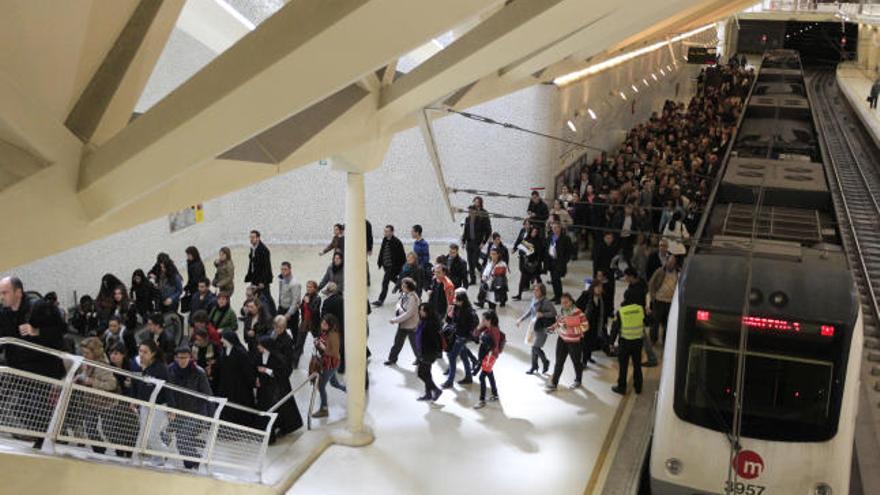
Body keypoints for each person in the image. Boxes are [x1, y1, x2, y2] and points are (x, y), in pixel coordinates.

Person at [165, 346, 213, 469]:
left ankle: (192, 463)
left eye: (185, 358)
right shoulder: (170, 370)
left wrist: (210, 418)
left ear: (190, 358)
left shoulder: (199, 372)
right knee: (170, 437)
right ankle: (192, 461)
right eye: (179, 358)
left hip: (194, 413)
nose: (182, 361)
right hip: (176, 412)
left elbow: (208, 395)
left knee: (182, 438)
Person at [71, 337, 119, 454]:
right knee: (90, 429)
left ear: (95, 352)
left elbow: (112, 384)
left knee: (108, 430)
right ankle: (99, 451)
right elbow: (83, 374)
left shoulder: (103, 366)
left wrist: (92, 382)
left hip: (105, 404)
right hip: (90, 401)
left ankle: (122, 450)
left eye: (87, 353)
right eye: (83, 352)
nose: (84, 355)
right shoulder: (86, 362)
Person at [254, 335, 303, 441]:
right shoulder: (259, 355)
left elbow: (282, 373)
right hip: (264, 388)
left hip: (277, 388)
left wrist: (266, 370)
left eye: (260, 345)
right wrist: (257, 378)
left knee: (277, 409)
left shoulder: (278, 358)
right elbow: (255, 367)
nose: (258, 347)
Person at [215, 331, 257, 427]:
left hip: (239, 385)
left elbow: (247, 369)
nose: (221, 341)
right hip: (227, 383)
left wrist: (252, 382)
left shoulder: (241, 352)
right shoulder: (224, 351)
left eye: (223, 339)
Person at [546, 293, 587, 391]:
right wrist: (553, 327)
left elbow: (585, 326)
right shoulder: (563, 311)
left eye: (566, 302)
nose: (563, 304)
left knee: (576, 362)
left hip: (574, 342)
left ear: (571, 302)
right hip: (562, 340)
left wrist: (571, 330)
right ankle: (554, 383)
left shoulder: (579, 313)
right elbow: (559, 322)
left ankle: (578, 380)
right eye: (562, 303)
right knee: (559, 362)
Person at [106, 342, 139, 457]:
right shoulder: (109, 367)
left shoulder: (131, 366)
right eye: (111, 353)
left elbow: (136, 384)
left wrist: (130, 386)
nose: (113, 356)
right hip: (115, 400)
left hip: (129, 401)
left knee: (129, 426)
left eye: (116, 353)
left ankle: (129, 450)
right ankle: (118, 450)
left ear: (123, 355)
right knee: (114, 426)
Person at [442, 290, 480, 389]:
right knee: (463, 356)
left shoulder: (469, 311)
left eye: (456, 300)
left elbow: (473, 325)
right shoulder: (457, 308)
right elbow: (449, 321)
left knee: (451, 356)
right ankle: (468, 377)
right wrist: (449, 313)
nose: (454, 301)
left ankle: (450, 381)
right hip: (457, 335)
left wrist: (465, 333)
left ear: (462, 301)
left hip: (462, 337)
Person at [612, 289, 646, 396]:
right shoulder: (641, 309)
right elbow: (650, 321)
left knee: (623, 366)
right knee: (637, 365)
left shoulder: (621, 312)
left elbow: (615, 328)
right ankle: (638, 387)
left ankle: (621, 388)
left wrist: (611, 342)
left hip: (625, 343)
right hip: (637, 342)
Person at [516, 283, 556, 375]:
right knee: (533, 347)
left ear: (542, 291)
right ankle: (534, 366)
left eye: (537, 290)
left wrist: (543, 314)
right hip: (534, 325)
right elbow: (530, 311)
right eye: (534, 289)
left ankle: (545, 361)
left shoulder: (546, 302)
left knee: (535, 347)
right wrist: (521, 319)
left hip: (542, 327)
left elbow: (553, 313)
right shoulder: (534, 299)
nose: (534, 291)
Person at [312, 314, 347, 418]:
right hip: (327, 362)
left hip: (331, 364)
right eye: (322, 322)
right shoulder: (325, 332)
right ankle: (350, 390)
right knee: (334, 383)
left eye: (325, 324)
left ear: (330, 325)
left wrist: (323, 347)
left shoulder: (334, 335)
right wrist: (317, 343)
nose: (322, 325)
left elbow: (334, 353)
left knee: (321, 386)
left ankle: (324, 409)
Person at [385, 278, 420, 366]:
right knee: (397, 343)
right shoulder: (404, 294)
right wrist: (399, 311)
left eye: (404, 286)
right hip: (403, 324)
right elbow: (399, 304)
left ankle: (419, 359)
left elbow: (409, 313)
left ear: (409, 287)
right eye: (402, 285)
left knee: (414, 344)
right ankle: (392, 359)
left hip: (411, 325)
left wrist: (395, 320)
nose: (402, 287)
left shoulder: (413, 298)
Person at [647, 255, 679, 352]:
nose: (671, 264)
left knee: (667, 324)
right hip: (659, 300)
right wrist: (653, 297)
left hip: (670, 302)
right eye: (669, 262)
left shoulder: (678, 273)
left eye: (673, 263)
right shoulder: (660, 271)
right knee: (655, 322)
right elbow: (651, 284)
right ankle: (653, 340)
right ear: (666, 262)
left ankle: (666, 341)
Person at [473, 310, 502, 409]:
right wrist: (479, 326)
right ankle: (495, 393)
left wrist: (488, 358)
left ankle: (482, 400)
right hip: (486, 355)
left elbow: (495, 346)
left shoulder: (494, 330)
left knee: (482, 377)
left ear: (489, 320)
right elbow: (475, 334)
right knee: (489, 373)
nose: (482, 321)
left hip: (490, 356)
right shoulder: (486, 327)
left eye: (484, 319)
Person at [415, 303, 443, 402]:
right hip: (424, 352)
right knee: (427, 373)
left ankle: (436, 390)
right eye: (420, 309)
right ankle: (428, 394)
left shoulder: (431, 324)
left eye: (422, 310)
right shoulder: (425, 321)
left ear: (427, 311)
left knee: (421, 373)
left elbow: (433, 341)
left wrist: (427, 354)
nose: (420, 312)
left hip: (428, 353)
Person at [373, 225, 406, 307]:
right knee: (393, 278)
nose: (385, 233)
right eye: (385, 231)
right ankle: (404, 288)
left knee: (385, 282)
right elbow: (382, 251)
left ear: (392, 232)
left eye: (387, 231)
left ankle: (380, 300)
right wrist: (379, 262)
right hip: (386, 266)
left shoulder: (397, 242)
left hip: (393, 267)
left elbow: (402, 256)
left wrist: (400, 267)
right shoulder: (384, 240)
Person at [576, 280, 605, 366]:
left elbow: (601, 312)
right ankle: (584, 361)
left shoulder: (600, 298)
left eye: (601, 287)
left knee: (591, 341)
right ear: (593, 287)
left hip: (595, 324)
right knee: (585, 342)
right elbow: (577, 306)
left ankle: (588, 357)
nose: (599, 289)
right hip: (585, 323)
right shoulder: (586, 296)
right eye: (597, 287)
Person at [461, 205, 492, 286]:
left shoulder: (480, 220)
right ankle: (473, 279)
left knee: (474, 262)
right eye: (469, 211)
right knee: (470, 263)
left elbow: (487, 232)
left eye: (471, 211)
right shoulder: (467, 219)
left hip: (477, 244)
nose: (470, 213)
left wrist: (483, 242)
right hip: (469, 243)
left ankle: (484, 274)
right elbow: (465, 231)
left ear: (475, 211)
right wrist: (463, 241)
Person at [512, 225, 544, 301]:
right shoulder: (527, 239)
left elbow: (539, 253)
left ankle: (542, 293)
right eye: (533, 232)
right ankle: (519, 295)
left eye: (536, 232)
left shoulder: (539, 241)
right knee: (522, 279)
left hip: (535, 264)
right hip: (526, 264)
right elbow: (521, 249)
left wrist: (531, 251)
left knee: (538, 278)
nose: (534, 233)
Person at [245, 230, 274, 311]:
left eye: (253, 237)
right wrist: (249, 276)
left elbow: (267, 267)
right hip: (255, 278)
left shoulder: (264, 250)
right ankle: (252, 312)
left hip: (262, 280)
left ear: (258, 238)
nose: (251, 239)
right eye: (250, 237)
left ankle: (272, 314)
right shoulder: (253, 248)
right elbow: (252, 264)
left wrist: (262, 282)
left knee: (266, 297)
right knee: (254, 296)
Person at [545, 221, 574, 303]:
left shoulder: (565, 238)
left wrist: (565, 260)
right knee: (553, 280)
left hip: (559, 263)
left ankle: (559, 297)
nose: (555, 229)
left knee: (557, 280)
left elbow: (569, 251)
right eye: (553, 228)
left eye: (556, 227)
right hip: (551, 262)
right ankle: (556, 295)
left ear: (560, 228)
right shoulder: (550, 237)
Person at [295, 281, 321, 368]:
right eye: (307, 287)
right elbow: (303, 307)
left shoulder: (317, 298)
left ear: (315, 288)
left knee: (318, 343)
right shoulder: (306, 295)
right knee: (299, 343)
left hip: (313, 323)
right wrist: (300, 306)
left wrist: (308, 302)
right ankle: (295, 363)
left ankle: (323, 360)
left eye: (310, 287)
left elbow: (314, 312)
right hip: (304, 321)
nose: (308, 289)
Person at [277, 261, 302, 333]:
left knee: (294, 332)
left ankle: (295, 344)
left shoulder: (295, 283)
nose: (283, 271)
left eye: (285, 269)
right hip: (281, 308)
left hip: (291, 312)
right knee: (277, 329)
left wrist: (288, 314)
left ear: (290, 269)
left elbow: (295, 301)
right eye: (281, 269)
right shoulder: (281, 280)